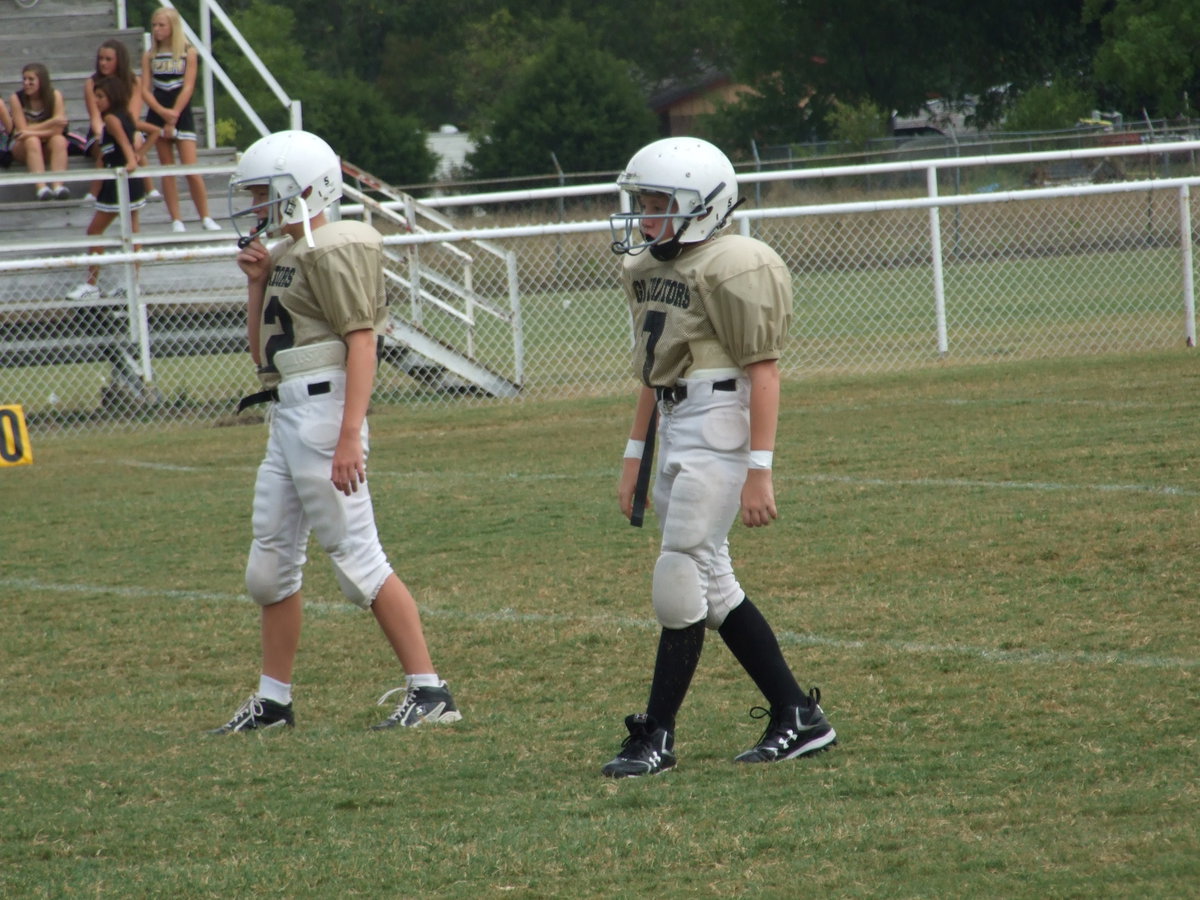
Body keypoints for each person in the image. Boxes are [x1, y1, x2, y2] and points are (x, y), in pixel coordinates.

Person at [600, 137, 837, 777]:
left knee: (681, 576)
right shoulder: (654, 266)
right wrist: (634, 456)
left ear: (703, 204)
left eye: (657, 201)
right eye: (642, 201)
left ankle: (656, 734)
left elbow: (764, 371)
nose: (645, 215)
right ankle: (797, 713)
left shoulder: (736, 263)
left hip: (719, 421)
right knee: (714, 585)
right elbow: (653, 373)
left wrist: (760, 468)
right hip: (677, 421)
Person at [210, 129, 460, 734]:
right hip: (288, 411)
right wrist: (254, 284)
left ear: (304, 190)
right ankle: (273, 701)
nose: (259, 206)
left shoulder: (334, 245)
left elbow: (363, 342)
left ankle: (431, 691)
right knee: (268, 567)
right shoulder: (289, 253)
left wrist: (351, 432)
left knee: (358, 561)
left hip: (326, 414)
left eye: (268, 193)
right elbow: (264, 356)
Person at [64, 76, 160, 302]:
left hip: (120, 183)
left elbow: (128, 153)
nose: (96, 101)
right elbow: (155, 131)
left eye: (100, 96)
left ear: (112, 97)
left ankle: (92, 285)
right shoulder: (125, 117)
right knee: (131, 232)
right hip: (126, 183)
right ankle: (131, 283)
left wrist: (133, 159)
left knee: (94, 232)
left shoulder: (112, 119)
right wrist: (139, 153)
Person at [140, 6, 221, 232]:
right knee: (167, 168)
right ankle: (176, 219)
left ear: (172, 27)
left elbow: (188, 87)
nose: (157, 29)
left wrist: (173, 115)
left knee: (190, 167)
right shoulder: (149, 55)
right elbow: (145, 90)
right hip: (157, 112)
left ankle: (205, 217)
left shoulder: (188, 52)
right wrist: (161, 112)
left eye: (161, 25)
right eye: (154, 25)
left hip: (181, 113)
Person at [83, 39, 159, 204]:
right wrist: (102, 134)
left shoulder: (133, 82)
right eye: (101, 59)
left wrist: (129, 134)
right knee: (107, 148)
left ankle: (149, 188)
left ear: (120, 60)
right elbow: (95, 117)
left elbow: (131, 116)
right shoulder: (92, 83)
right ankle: (95, 193)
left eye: (108, 59)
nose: (103, 63)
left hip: (126, 127)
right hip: (101, 130)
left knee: (134, 143)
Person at [8, 62, 70, 200]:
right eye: (24, 79)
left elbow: (58, 130)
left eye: (31, 80)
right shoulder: (16, 98)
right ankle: (41, 188)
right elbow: (20, 132)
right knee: (32, 141)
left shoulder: (55, 96)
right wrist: (51, 122)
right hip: (22, 147)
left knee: (59, 140)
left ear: (41, 81)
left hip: (47, 143)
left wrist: (31, 131)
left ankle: (58, 186)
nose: (26, 83)